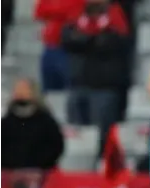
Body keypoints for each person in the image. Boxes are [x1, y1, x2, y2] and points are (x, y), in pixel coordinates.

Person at [61, 0, 130, 156]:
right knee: (76, 138)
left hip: (104, 87)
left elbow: (113, 42)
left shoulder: (116, 13)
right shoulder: (76, 12)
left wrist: (85, 40)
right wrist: (93, 40)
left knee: (103, 138)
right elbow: (67, 39)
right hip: (78, 85)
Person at [1, 78, 65, 171]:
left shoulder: (46, 121)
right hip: (9, 175)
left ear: (33, 92)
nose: (19, 92)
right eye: (17, 89)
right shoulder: (6, 122)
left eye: (24, 89)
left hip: (42, 174)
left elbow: (55, 146)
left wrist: (38, 165)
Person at [34, 0, 86, 91]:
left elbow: (76, 11)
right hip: (50, 46)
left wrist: (54, 11)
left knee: (71, 89)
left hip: (71, 49)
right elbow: (39, 11)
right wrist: (61, 11)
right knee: (49, 90)